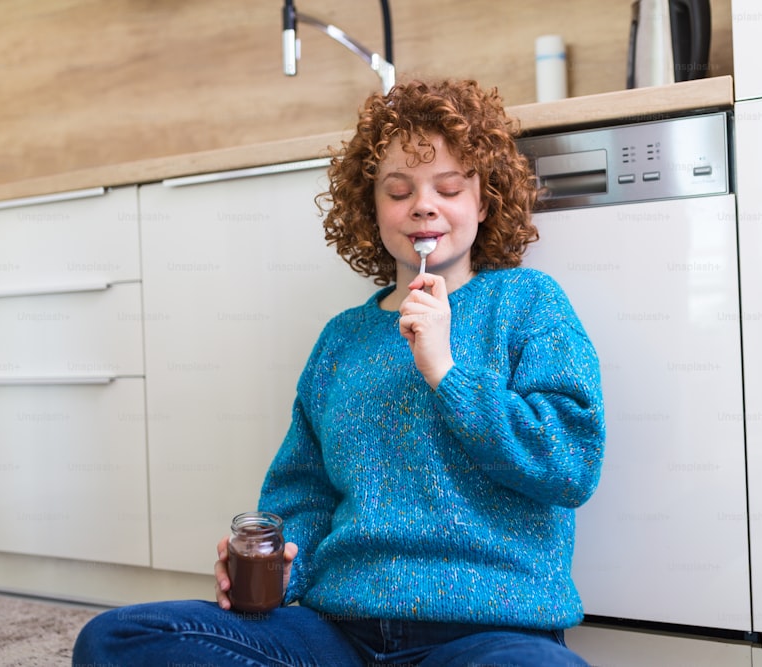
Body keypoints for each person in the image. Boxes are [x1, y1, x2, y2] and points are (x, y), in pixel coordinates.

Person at [73, 78, 605, 667]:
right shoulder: (342, 339)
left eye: (449, 188)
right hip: (339, 634)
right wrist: (273, 567)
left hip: (486, 636)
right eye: (398, 191)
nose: (424, 205)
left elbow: (571, 465)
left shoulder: (528, 303)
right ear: (372, 209)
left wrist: (447, 373)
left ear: (482, 202)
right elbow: (301, 495)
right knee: (115, 640)